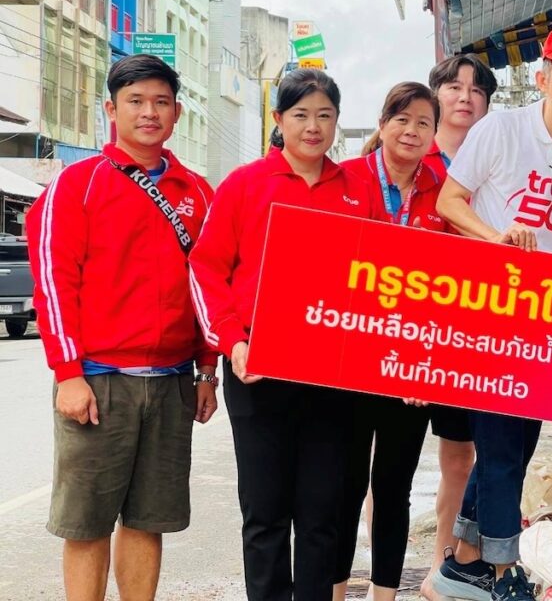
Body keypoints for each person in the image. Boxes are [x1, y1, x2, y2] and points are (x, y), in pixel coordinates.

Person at [25, 54, 217, 601]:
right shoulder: (77, 184)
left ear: (177, 113)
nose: (149, 112)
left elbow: (208, 286)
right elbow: (54, 283)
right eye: (135, 101)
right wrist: (68, 373)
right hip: (97, 380)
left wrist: (207, 370)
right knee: (87, 523)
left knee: (148, 521)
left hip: (172, 381)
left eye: (161, 102)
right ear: (112, 110)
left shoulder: (198, 192)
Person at [432, 22, 552, 601]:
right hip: (488, 307)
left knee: (518, 443)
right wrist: (497, 239)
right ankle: (504, 571)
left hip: (546, 315)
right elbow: (449, 201)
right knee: (502, 444)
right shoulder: (501, 129)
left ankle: (462, 564)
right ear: (542, 77)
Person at [188, 70, 376, 600]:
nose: (313, 127)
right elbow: (206, 269)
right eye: (301, 115)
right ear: (278, 119)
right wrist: (233, 341)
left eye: (325, 115)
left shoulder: (357, 189)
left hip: (331, 374)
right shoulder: (245, 185)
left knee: (322, 514)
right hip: (257, 366)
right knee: (265, 513)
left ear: (337, 121)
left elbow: (382, 276)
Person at [332, 82, 446, 601]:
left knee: (394, 488)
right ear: (382, 125)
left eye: (423, 123)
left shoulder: (444, 191)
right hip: (348, 359)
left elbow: (457, 284)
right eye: (402, 119)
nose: (412, 131)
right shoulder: (345, 179)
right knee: (345, 486)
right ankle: (335, 592)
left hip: (410, 365)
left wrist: (427, 362)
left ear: (434, 134)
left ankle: (384, 596)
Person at [420, 54, 497, 601]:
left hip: (470, 329)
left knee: (459, 457)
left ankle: (440, 566)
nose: (465, 97)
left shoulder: (496, 157)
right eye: (453, 86)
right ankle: (382, 571)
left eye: (476, 89)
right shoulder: (409, 152)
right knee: (388, 459)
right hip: (406, 326)